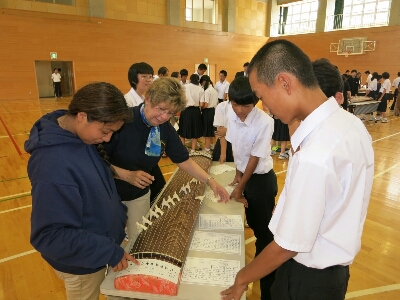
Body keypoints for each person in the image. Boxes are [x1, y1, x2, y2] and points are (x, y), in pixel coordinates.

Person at [221, 39, 374, 300]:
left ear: (284, 83)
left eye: (262, 96)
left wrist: (241, 278)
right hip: (332, 275)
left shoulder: (316, 153)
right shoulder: (349, 123)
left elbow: (286, 245)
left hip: (307, 279)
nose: (265, 106)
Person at [25, 82, 138, 300]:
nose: (107, 139)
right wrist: (108, 251)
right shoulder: (52, 163)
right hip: (82, 266)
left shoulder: (77, 134)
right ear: (82, 116)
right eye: (105, 131)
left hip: (99, 246)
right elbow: (49, 236)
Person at [103, 78, 230, 240]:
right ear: (148, 99)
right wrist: (127, 175)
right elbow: (96, 162)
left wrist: (211, 181)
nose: (164, 117)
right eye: (161, 109)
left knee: (138, 239)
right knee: (112, 241)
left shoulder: (164, 129)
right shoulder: (123, 121)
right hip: (109, 191)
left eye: (170, 113)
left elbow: (184, 160)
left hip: (139, 194)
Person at [225, 76, 277, 300]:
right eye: (235, 103)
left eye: (245, 105)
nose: (238, 109)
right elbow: (237, 148)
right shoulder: (231, 112)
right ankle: (259, 264)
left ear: (255, 101)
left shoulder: (265, 122)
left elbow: (255, 158)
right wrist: (237, 176)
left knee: (265, 234)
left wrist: (241, 188)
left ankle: (268, 286)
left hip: (260, 181)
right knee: (254, 225)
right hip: (245, 176)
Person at [124, 62, 165, 204]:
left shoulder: (145, 98)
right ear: (134, 79)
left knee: (158, 190)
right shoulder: (127, 101)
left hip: (148, 151)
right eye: (144, 76)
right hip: (135, 154)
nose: (148, 80)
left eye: (150, 76)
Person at [178, 74, 204, 153]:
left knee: (183, 130)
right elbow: (201, 104)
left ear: (190, 79)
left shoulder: (185, 87)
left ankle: (182, 149)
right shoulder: (201, 89)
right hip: (196, 111)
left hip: (185, 110)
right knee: (195, 131)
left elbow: (180, 99)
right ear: (198, 80)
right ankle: (193, 150)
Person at [199, 75, 218, 153]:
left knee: (207, 131)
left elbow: (206, 104)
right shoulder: (214, 90)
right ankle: (212, 145)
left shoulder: (207, 91)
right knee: (211, 130)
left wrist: (201, 108)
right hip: (213, 111)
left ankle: (207, 149)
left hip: (207, 112)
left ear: (204, 82)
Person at [212, 99, 234, 164]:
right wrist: (223, 154)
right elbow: (221, 132)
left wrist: (227, 130)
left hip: (242, 146)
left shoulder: (250, 108)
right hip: (225, 144)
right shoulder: (222, 106)